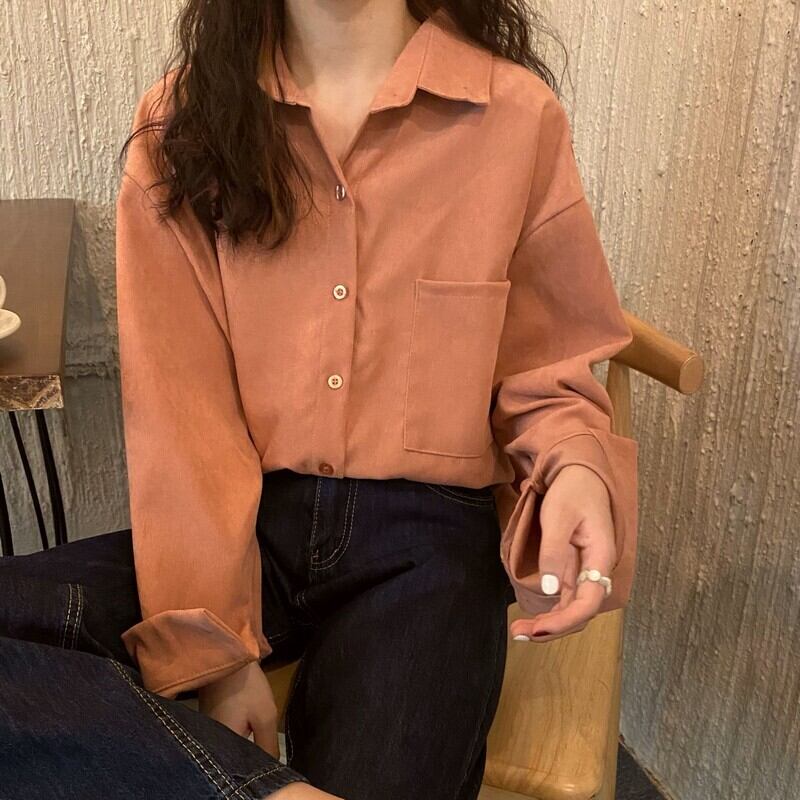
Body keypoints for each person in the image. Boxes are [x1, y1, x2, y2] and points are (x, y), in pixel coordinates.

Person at [0, 1, 639, 799]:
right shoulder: (183, 124)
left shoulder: (513, 117)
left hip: (428, 550)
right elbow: (181, 413)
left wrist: (574, 467)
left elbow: (548, 365)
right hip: (243, 525)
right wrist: (219, 650)